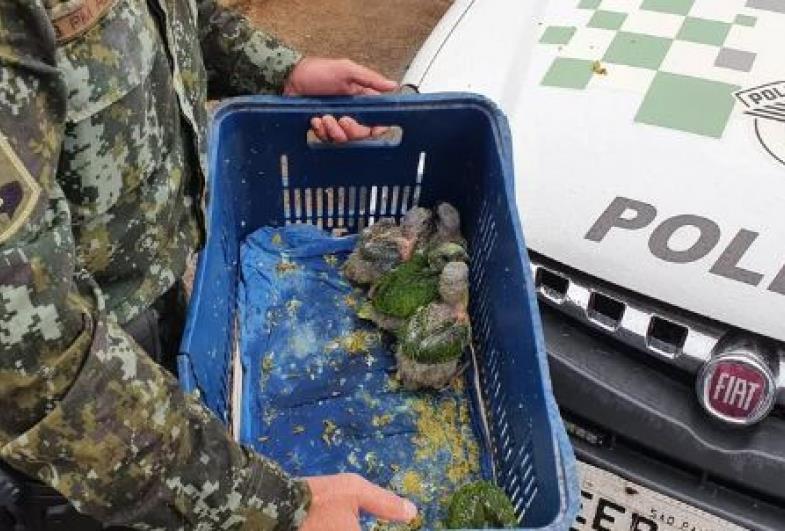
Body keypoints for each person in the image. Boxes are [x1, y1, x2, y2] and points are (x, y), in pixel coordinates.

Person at [0, 0, 418, 529]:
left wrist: (278, 69)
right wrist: (273, 510)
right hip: (80, 383)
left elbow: (171, 16)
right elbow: (28, 360)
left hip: (159, 289)